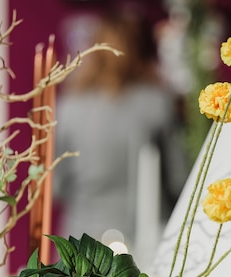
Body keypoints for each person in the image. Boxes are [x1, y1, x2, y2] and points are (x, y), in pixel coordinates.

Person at [53, 8, 189, 257]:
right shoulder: (157, 102)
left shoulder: (70, 107)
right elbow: (178, 178)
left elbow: (57, 185)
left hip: (80, 241)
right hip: (143, 239)